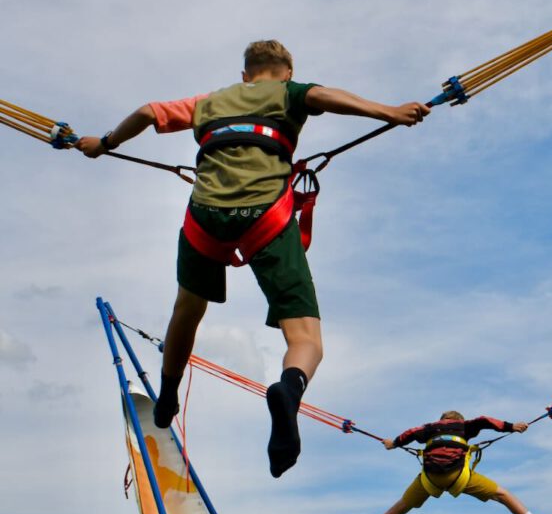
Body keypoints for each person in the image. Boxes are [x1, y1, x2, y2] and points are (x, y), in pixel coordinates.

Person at [76, 40, 429, 479]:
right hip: (266, 218)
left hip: (205, 218)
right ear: (286, 73)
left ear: (245, 76)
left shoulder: (209, 102)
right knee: (305, 337)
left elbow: (149, 111)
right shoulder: (289, 93)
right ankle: (288, 390)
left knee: (187, 309)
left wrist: (104, 142)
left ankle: (168, 394)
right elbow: (324, 96)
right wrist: (389, 112)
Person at [356, 411, 552, 514]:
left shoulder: (428, 428)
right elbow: (485, 420)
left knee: (399, 508)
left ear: (442, 419)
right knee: (503, 495)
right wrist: (512, 427)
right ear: (457, 419)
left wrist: (393, 443)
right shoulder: (465, 426)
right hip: (459, 476)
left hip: (429, 479)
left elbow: (410, 433)